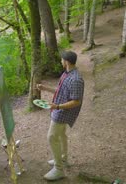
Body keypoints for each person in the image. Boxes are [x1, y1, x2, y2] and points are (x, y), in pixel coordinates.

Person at [36, 50, 84, 181]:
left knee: (51, 136)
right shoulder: (66, 74)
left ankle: (58, 169)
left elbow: (76, 101)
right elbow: (60, 91)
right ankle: (63, 159)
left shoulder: (76, 79)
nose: (60, 61)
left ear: (67, 62)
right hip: (59, 109)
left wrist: (57, 106)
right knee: (61, 134)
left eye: (62, 59)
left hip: (63, 112)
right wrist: (45, 88)